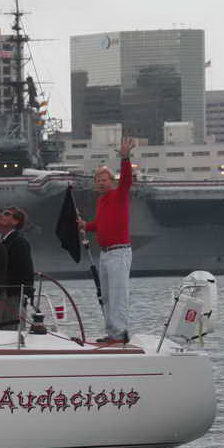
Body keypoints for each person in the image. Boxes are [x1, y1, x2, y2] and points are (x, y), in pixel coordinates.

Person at [79, 137, 135, 343]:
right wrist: (86, 225)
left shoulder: (119, 195)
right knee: (107, 295)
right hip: (105, 253)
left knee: (118, 294)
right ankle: (113, 332)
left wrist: (125, 158)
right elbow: (101, 224)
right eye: (98, 180)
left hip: (119, 252)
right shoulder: (101, 200)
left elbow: (127, 181)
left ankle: (119, 333)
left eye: (104, 179)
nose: (101, 183)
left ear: (112, 181)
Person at [0, 206, 35, 329]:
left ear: (15, 221)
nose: (1, 215)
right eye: (2, 213)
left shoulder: (19, 242)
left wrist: (26, 292)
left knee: (11, 330)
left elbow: (27, 269)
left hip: (12, 295)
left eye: (7, 214)